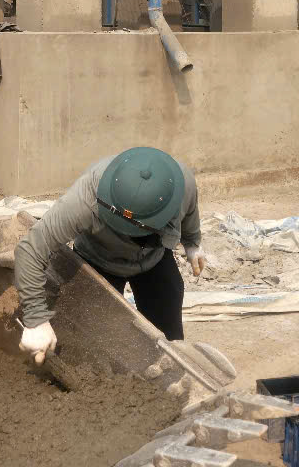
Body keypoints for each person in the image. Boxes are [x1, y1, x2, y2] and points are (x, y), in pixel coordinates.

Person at [14, 147, 208, 362]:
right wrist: (36, 320)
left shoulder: (180, 181)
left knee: (169, 340)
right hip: (98, 259)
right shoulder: (84, 200)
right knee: (94, 346)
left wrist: (192, 243)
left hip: (152, 258)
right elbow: (30, 249)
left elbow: (189, 211)